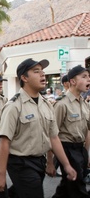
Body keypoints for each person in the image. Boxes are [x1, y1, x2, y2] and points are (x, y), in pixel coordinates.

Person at [0, 58, 77, 198]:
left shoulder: (46, 104)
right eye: (36, 72)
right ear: (24, 78)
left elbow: (54, 137)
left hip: (39, 161)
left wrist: (66, 165)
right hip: (20, 163)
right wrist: (1, 174)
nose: (42, 75)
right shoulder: (14, 106)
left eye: (42, 72)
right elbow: (4, 141)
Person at [50, 65, 90, 198]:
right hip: (67, 149)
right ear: (73, 81)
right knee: (78, 186)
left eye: (88, 76)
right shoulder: (62, 104)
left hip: (80, 149)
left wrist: (86, 152)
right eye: (84, 77)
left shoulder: (83, 103)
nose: (88, 80)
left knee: (67, 186)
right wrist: (49, 161)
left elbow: (88, 129)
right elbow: (52, 133)